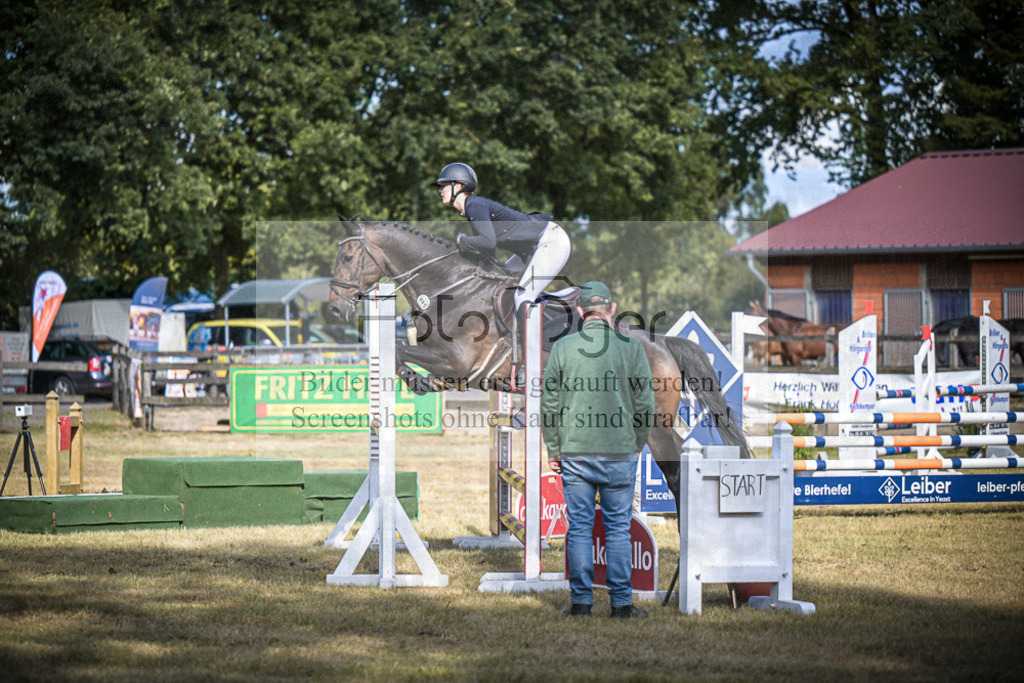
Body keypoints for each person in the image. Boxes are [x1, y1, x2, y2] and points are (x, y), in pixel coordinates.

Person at [540, 281, 655, 618]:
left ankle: (581, 603)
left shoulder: (562, 348)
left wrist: (554, 447)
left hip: (575, 451)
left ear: (580, 312)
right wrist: (636, 444)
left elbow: (549, 403)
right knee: (618, 527)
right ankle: (621, 604)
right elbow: (645, 403)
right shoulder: (631, 348)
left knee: (578, 527)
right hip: (620, 452)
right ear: (612, 309)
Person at [431, 162, 570, 308]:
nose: (440, 190)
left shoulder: (474, 205)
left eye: (443, 186)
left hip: (551, 241)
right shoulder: (473, 207)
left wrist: (463, 241)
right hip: (533, 248)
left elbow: (488, 241)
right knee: (502, 286)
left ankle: (531, 331)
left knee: (524, 296)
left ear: (458, 186)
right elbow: (489, 253)